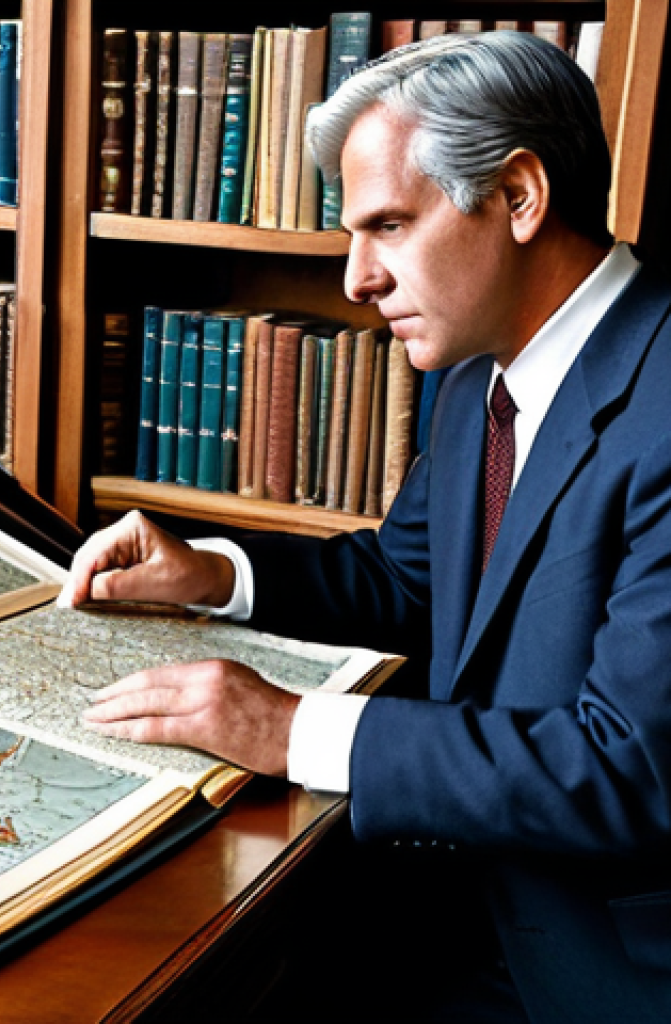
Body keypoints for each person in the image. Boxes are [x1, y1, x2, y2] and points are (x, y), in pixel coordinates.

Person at [60, 30, 671, 1022]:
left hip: (602, 978)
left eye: (387, 225)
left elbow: (628, 768)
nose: (355, 278)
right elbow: (406, 583)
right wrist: (214, 576)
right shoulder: (478, 377)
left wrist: (291, 726)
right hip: (433, 910)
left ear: (518, 195)